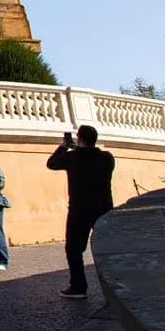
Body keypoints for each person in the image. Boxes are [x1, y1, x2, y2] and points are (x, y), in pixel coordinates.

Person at [47, 124, 115, 299]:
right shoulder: (107, 158)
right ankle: (117, 286)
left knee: (74, 250)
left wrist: (64, 146)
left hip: (80, 210)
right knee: (109, 249)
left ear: (80, 138)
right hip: (104, 208)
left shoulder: (73, 157)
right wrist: (77, 147)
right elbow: (89, 155)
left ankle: (78, 287)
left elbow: (51, 163)